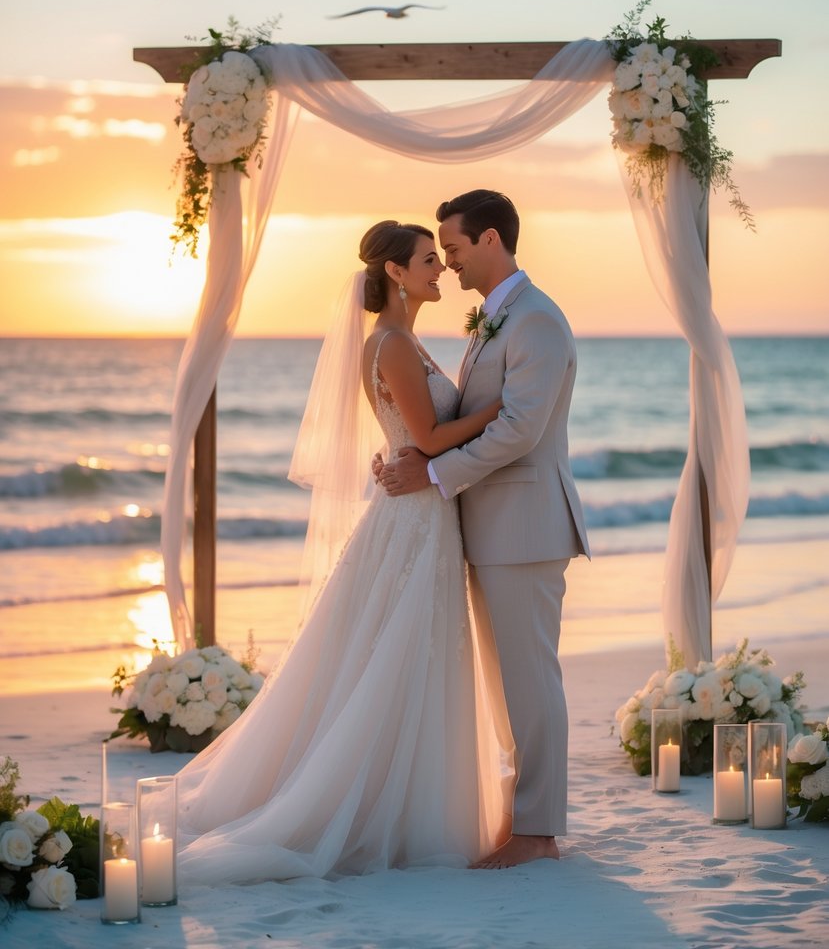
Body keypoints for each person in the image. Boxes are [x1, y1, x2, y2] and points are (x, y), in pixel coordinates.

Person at [175, 220, 504, 884]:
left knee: (397, 658)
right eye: (427, 260)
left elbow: (413, 438)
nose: (439, 269)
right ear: (394, 273)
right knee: (393, 655)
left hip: (419, 516)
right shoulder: (391, 344)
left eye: (440, 259)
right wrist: (502, 412)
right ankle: (376, 809)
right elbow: (430, 436)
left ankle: (411, 802)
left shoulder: (401, 340)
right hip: (411, 520)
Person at [378, 190, 590, 868]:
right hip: (489, 527)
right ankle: (519, 818)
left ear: (492, 240)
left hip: (524, 525)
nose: (449, 262)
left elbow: (518, 431)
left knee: (530, 683)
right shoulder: (491, 321)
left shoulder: (535, 322)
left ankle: (535, 834)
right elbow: (463, 419)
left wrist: (434, 476)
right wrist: (417, 454)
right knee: (508, 686)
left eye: (457, 248)